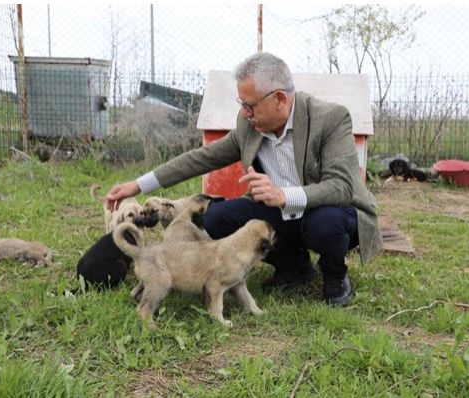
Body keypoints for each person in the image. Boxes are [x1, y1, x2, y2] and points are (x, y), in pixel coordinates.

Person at [106, 52, 382, 306]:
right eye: (242, 105)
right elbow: (201, 158)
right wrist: (139, 184)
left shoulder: (330, 118)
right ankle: (294, 266)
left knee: (326, 223)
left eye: (250, 106)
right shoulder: (249, 125)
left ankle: (335, 276)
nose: (245, 114)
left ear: (280, 99)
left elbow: (342, 186)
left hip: (334, 211)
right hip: (283, 213)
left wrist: (285, 195)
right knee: (216, 218)